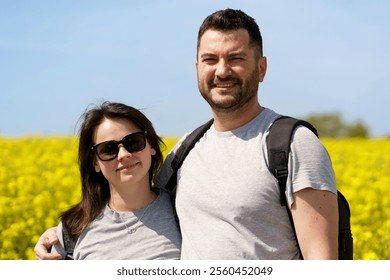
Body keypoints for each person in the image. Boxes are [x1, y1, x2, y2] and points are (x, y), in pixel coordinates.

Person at [35, 8, 338, 260]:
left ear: (261, 68)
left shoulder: (293, 145)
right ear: (197, 68)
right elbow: (138, 207)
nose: (222, 71)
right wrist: (65, 234)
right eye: (210, 60)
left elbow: (322, 264)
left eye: (236, 59)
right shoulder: (185, 151)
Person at [36, 101, 181, 260]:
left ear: (152, 145)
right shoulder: (71, 233)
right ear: (95, 162)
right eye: (108, 149)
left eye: (134, 142)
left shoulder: (185, 212)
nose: (123, 154)